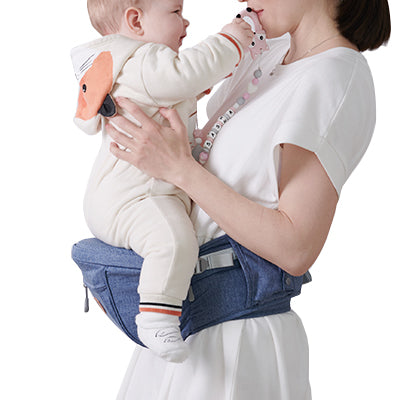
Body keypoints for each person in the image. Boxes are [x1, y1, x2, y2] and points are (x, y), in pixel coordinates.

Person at [107, 0, 391, 397]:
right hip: (182, 326)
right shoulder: (269, 52)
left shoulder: (335, 75)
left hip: (237, 342)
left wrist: (178, 168)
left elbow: (296, 247)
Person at [71, 0, 254, 362]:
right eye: (175, 12)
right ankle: (155, 318)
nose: (186, 22)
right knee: (172, 241)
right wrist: (230, 40)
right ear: (136, 21)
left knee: (173, 238)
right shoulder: (143, 60)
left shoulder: (130, 65)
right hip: (136, 199)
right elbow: (185, 74)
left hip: (126, 195)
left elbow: (177, 87)